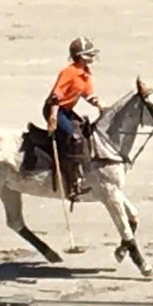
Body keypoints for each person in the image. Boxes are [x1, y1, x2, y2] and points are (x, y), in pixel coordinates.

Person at [43, 37, 101, 202]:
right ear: (81, 56)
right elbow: (56, 95)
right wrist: (53, 117)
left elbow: (88, 94)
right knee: (73, 137)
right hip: (55, 109)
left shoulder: (85, 72)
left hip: (67, 110)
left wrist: (99, 105)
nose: (92, 57)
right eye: (89, 54)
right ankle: (72, 181)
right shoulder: (70, 71)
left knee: (84, 130)